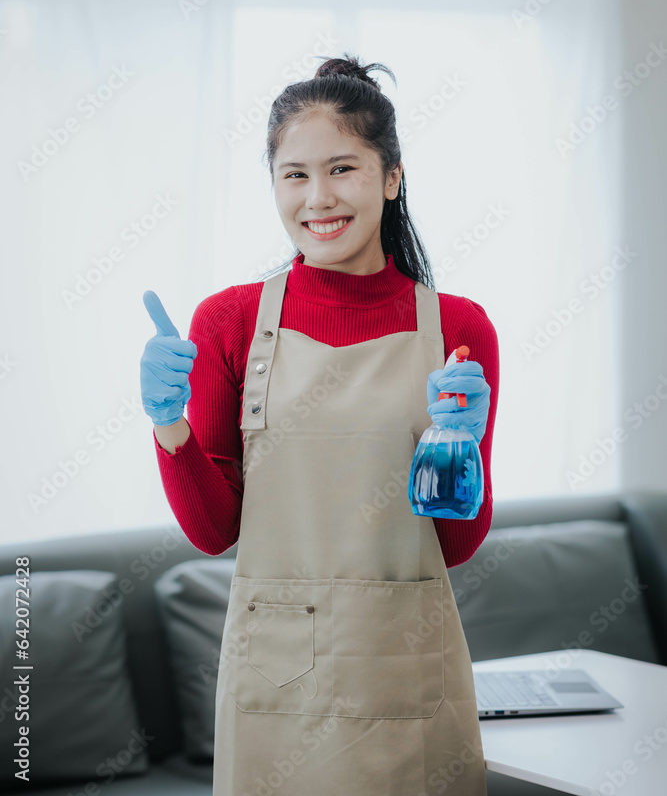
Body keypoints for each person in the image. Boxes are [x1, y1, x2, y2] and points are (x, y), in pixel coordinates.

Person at [140, 53, 499, 795]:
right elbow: (215, 532)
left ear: (391, 178)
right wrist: (168, 425)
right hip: (277, 685)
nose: (317, 198)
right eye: (294, 174)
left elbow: (456, 545)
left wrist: (460, 445)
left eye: (342, 169)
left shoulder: (457, 329)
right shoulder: (230, 321)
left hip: (407, 674)